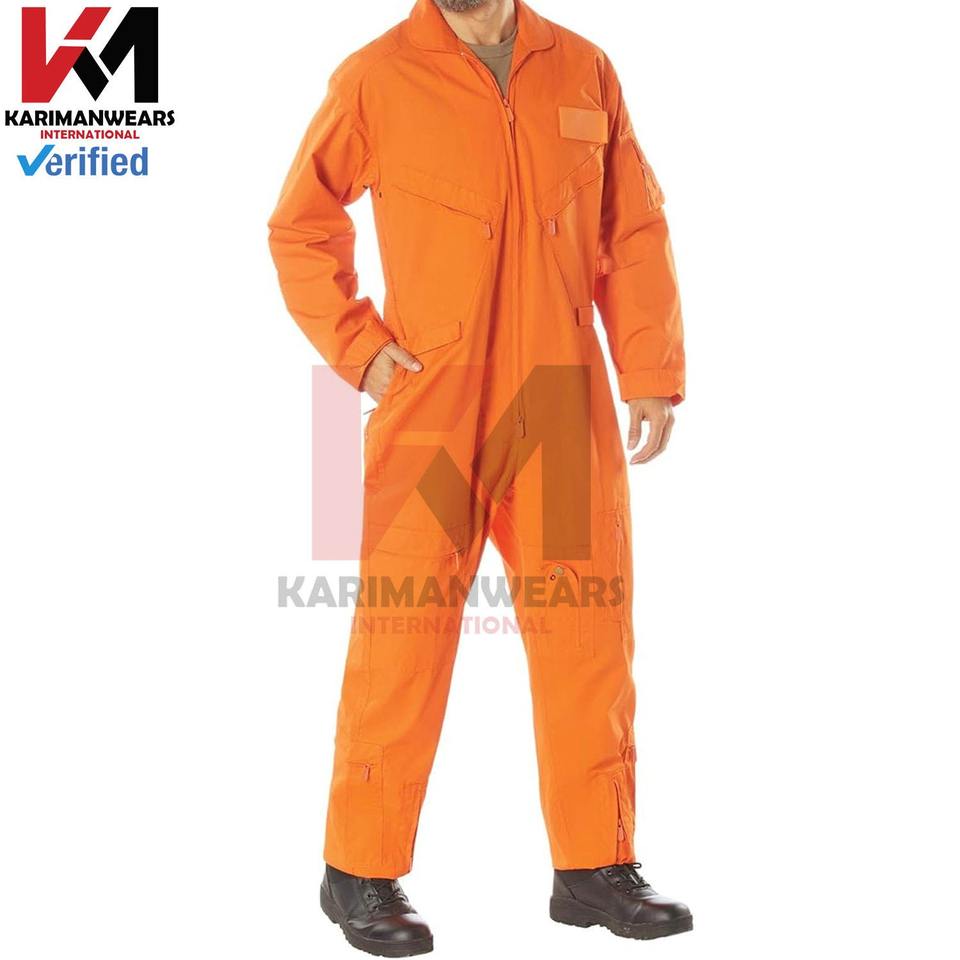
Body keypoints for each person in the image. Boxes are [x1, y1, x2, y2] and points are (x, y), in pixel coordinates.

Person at [268, 0, 690, 952]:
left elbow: (632, 227)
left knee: (586, 638)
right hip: (434, 407)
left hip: (558, 400)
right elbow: (299, 226)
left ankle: (595, 865)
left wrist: (649, 370)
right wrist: (360, 348)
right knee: (403, 638)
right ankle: (357, 872)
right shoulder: (376, 77)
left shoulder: (582, 68)